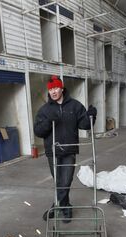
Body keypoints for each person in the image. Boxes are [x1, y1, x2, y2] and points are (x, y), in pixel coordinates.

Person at [33, 76, 96, 222]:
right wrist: (48, 122)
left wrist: (92, 115)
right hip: (53, 151)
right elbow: (38, 132)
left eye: (55, 88)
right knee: (59, 182)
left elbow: (85, 125)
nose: (53, 92)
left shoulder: (75, 106)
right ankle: (65, 207)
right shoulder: (44, 110)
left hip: (69, 150)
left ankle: (56, 206)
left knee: (66, 181)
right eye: (50, 89)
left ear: (61, 88)